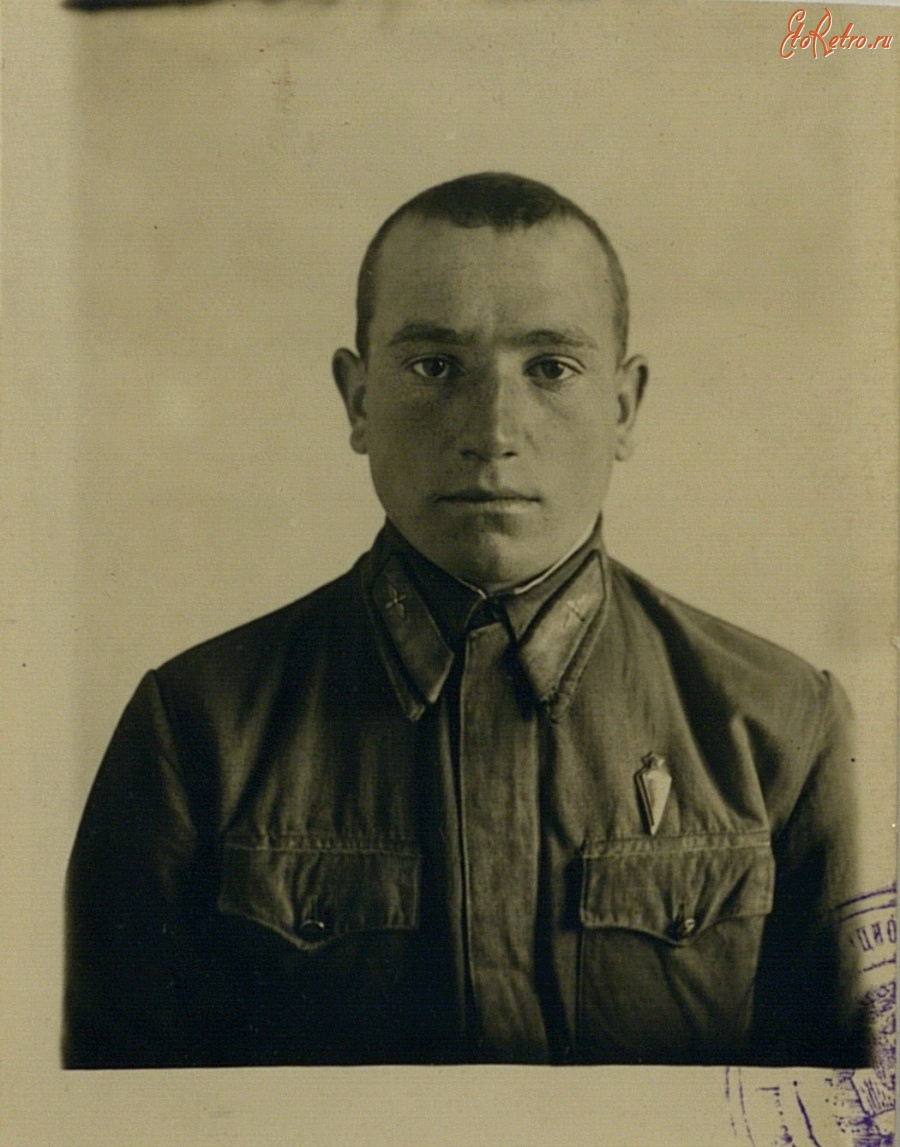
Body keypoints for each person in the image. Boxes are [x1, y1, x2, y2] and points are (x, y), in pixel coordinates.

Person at [64, 172, 870, 1069]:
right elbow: (105, 1111)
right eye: (434, 366)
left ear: (624, 407)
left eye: (551, 368)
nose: (492, 431)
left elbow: (838, 1113)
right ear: (358, 399)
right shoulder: (194, 729)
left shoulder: (783, 725)